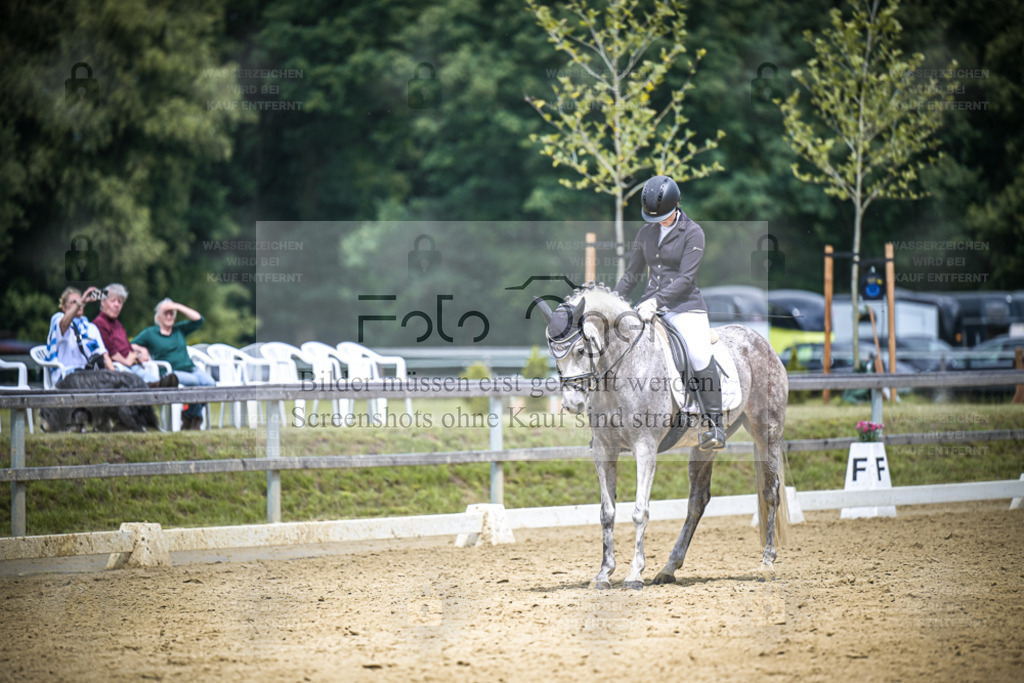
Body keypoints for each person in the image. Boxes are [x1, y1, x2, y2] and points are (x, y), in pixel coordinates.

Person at [613, 175, 726, 451]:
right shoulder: (646, 233)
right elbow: (631, 275)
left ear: (677, 205)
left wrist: (656, 301)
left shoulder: (693, 232)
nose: (659, 222)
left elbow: (686, 279)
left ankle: (715, 425)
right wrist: (612, 303)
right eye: (654, 218)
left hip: (686, 307)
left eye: (663, 216)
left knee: (699, 353)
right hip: (650, 308)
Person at [132, 299, 215, 430]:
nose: (169, 316)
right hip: (171, 373)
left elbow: (199, 319)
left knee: (210, 384)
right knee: (195, 381)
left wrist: (177, 306)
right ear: (158, 317)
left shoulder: (179, 330)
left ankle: (189, 416)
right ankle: (193, 419)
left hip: (190, 368)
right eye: (166, 313)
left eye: (172, 313)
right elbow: (131, 344)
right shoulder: (150, 333)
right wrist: (143, 350)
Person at [92, 283, 178, 389]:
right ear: (103, 302)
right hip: (118, 368)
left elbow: (126, 345)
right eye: (113, 301)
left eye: (120, 301)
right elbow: (108, 351)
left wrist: (138, 354)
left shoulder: (117, 324)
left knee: (148, 375)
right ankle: (155, 385)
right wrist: (127, 361)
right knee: (139, 379)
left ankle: (157, 385)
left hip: (132, 365)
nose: (117, 305)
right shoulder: (100, 323)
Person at [45, 286, 115, 385]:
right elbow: (64, 324)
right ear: (64, 308)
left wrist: (116, 376)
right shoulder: (58, 320)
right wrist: (81, 300)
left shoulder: (90, 328)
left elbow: (103, 355)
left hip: (88, 375)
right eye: (73, 302)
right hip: (65, 376)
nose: (79, 305)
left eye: (80, 302)